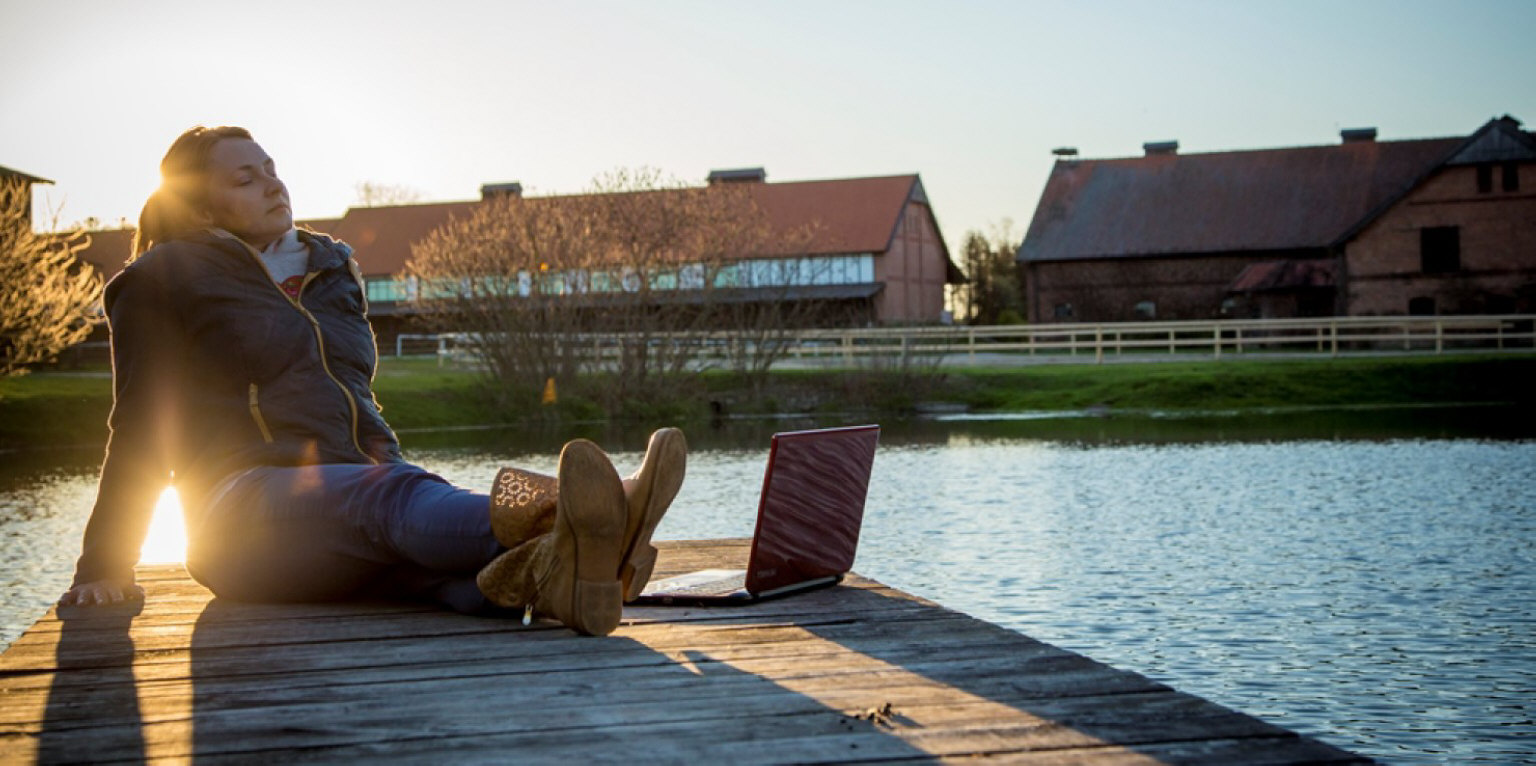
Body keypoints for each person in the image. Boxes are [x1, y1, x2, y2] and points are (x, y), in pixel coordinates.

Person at [57, 125, 685, 636]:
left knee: (449, 575)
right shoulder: (163, 278)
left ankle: (572, 583)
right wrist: (105, 563)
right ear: (198, 205)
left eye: (272, 169)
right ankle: (591, 514)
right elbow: (139, 425)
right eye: (245, 179)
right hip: (239, 516)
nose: (272, 185)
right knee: (390, 496)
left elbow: (352, 396)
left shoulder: (330, 268)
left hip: (354, 497)